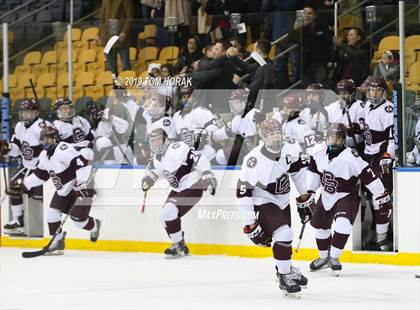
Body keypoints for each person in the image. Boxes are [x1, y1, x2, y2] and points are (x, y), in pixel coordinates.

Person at [236, 118, 314, 296]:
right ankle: (285, 276)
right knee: (285, 233)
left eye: (277, 132)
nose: (275, 136)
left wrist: (304, 196)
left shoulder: (290, 146)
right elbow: (242, 194)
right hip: (262, 200)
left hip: (282, 200)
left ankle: (283, 269)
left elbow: (297, 170)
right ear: (263, 137)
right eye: (270, 134)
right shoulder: (253, 160)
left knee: (285, 237)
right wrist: (250, 224)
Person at [307, 123, 391, 272]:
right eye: (332, 137)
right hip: (326, 195)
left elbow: (367, 173)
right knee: (320, 227)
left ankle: (333, 257)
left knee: (343, 224)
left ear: (343, 140)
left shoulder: (350, 156)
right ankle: (323, 257)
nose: (334, 141)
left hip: (347, 195)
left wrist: (380, 191)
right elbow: (313, 172)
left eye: (338, 138)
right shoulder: (319, 152)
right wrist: (310, 192)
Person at [8, 125, 101, 255]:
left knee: (79, 221)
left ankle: (95, 225)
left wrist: (82, 182)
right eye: (44, 139)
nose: (46, 142)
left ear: (55, 138)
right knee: (52, 214)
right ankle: (57, 243)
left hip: (79, 187)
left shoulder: (63, 149)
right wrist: (24, 185)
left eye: (49, 139)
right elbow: (40, 174)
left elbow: (81, 162)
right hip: (63, 190)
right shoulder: (44, 155)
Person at [141, 128, 218, 258]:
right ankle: (179, 244)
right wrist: (149, 179)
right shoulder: (157, 159)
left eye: (158, 140)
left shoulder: (176, 148)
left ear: (165, 139)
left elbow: (198, 157)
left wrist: (206, 172)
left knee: (168, 212)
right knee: (164, 217)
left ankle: (179, 246)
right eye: (153, 141)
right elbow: (156, 172)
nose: (156, 143)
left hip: (193, 185)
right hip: (178, 189)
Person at [0, 99, 46, 234]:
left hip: (42, 170)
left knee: (44, 197)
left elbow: (49, 149)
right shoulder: (19, 126)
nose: (24, 114)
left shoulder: (42, 126)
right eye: (23, 112)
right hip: (27, 168)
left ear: (36, 112)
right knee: (13, 187)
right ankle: (17, 221)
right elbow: (17, 149)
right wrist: (7, 149)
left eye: (28, 112)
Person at [362, 76, 395, 250]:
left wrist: (388, 155)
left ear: (384, 92)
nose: (374, 93)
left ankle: (383, 239)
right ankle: (374, 231)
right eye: (371, 89)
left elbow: (392, 136)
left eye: (377, 90)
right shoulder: (367, 105)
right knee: (368, 197)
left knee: (381, 198)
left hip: (381, 157)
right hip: (368, 156)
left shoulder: (388, 109)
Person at [212, 89, 264, 165]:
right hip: (248, 151)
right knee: (221, 155)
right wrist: (212, 137)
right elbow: (226, 131)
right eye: (231, 103)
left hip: (261, 154)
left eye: (236, 103)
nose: (232, 106)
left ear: (245, 102)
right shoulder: (237, 119)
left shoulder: (256, 115)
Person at [288, 5, 333, 87]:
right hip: (306, 66)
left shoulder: (322, 27)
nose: (307, 16)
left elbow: (328, 43)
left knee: (321, 88)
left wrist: (328, 60)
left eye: (309, 13)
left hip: (320, 64)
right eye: (305, 13)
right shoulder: (301, 29)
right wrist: (295, 29)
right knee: (308, 90)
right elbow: (290, 40)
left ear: (315, 15)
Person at [172, 85, 220, 161]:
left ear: (194, 98)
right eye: (184, 97)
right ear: (180, 100)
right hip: (186, 157)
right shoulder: (176, 116)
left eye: (189, 97)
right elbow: (173, 137)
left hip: (206, 155)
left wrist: (203, 134)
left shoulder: (202, 111)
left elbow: (214, 128)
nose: (187, 99)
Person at [231, 39, 278, 106]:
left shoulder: (264, 67)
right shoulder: (266, 63)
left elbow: (253, 90)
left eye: (254, 49)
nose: (252, 52)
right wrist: (234, 57)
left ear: (259, 51)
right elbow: (247, 68)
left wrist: (239, 82)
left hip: (262, 103)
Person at [327, 79, 366, 152]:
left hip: (355, 148)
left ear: (353, 93)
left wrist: (357, 127)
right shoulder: (332, 107)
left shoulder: (360, 106)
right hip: (334, 147)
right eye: (339, 93)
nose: (342, 96)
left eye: (345, 93)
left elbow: (366, 127)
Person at [96, 0, 133, 74]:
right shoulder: (105, 1)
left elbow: (130, 17)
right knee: (111, 67)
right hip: (107, 35)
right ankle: (115, 84)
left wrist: (124, 32)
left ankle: (128, 84)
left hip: (120, 35)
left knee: (125, 65)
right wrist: (98, 34)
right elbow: (102, 19)